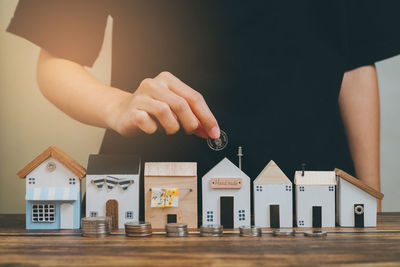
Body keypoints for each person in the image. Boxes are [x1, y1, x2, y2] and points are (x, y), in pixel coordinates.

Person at [7, 0, 400, 215]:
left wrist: (370, 203)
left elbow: (355, 61)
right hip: (152, 195)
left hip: (313, 196)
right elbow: (56, 60)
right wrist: (117, 103)